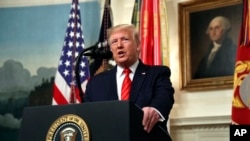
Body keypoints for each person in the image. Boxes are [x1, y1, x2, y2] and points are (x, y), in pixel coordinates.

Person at [83, 24, 175, 140]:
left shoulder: (157, 73)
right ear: (111, 49)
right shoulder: (95, 83)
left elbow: (165, 96)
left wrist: (155, 109)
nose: (119, 45)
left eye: (125, 39)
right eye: (114, 42)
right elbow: (89, 116)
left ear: (138, 45)